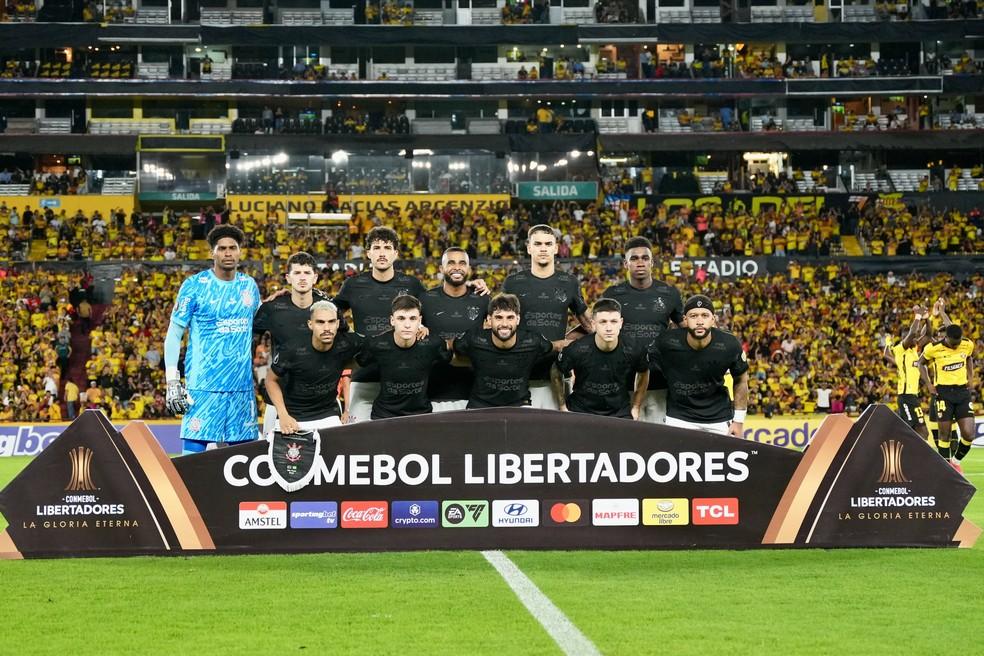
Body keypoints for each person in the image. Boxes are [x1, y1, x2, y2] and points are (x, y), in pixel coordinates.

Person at [164, 225, 261, 454]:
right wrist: (172, 380)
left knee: (244, 460)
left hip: (241, 387)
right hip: (203, 387)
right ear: (212, 253)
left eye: (233, 248)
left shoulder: (249, 285)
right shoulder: (194, 286)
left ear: (240, 252)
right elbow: (174, 334)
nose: (228, 253)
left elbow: (260, 321)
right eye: (222, 248)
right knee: (192, 460)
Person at [332, 227, 427, 423]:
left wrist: (424, 326)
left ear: (396, 253)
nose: (382, 253)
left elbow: (434, 309)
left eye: (387, 247)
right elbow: (329, 312)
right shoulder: (353, 285)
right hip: (364, 376)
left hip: (405, 380)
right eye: (376, 248)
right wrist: (347, 335)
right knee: (360, 438)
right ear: (368, 253)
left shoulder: (412, 284)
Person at [502, 224, 592, 410]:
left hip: (556, 377)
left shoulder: (569, 282)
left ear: (556, 248)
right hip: (518, 378)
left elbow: (590, 326)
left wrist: (571, 342)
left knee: (559, 428)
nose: (543, 248)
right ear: (529, 248)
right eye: (538, 244)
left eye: (548, 244)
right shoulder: (513, 283)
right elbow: (498, 325)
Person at [602, 236, 683, 424]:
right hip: (622, 384)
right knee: (624, 437)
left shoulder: (669, 294)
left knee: (658, 437)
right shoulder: (612, 294)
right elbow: (596, 327)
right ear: (626, 264)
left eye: (645, 258)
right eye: (634, 258)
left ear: (652, 262)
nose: (640, 262)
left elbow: (686, 330)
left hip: (659, 383)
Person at [650, 294, 749, 437]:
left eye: (705, 315)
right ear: (685, 319)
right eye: (693, 316)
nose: (699, 321)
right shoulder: (666, 342)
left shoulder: (729, 344)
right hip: (678, 418)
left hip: (719, 418)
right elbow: (644, 368)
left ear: (713, 319)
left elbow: (741, 380)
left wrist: (738, 421)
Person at [252, 251, 329, 435]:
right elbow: (248, 339)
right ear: (288, 277)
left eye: (307, 273)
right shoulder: (272, 308)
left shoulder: (328, 308)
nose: (302, 277)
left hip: (321, 403)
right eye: (297, 273)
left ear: (315, 277)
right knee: (270, 451)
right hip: (278, 400)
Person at [265, 300, 364, 433]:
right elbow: (270, 380)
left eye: (331, 322)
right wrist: (283, 415)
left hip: (328, 414)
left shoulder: (348, 343)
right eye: (320, 322)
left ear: (338, 324)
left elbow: (374, 347)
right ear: (310, 324)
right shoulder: (291, 348)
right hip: (293, 415)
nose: (327, 328)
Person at [452, 293, 555, 409]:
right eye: (499, 317)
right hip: (480, 403)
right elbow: (455, 351)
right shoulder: (473, 339)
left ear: (518, 319)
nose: (504, 324)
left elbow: (552, 349)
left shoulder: (533, 341)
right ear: (489, 319)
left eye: (510, 317)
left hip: (519, 403)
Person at [551, 298, 649, 419]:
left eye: (614, 321)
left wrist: (636, 407)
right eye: (603, 322)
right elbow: (556, 370)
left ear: (621, 323)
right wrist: (562, 406)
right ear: (593, 324)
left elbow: (644, 371)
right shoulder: (577, 349)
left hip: (619, 412)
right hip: (580, 410)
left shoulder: (634, 349)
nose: (609, 328)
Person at [358, 295, 451, 420]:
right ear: (392, 320)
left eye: (413, 319)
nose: (407, 325)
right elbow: (357, 362)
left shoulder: (433, 343)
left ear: (420, 321)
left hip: (421, 413)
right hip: (384, 414)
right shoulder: (376, 344)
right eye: (401, 318)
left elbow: (451, 358)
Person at [421, 247, 489, 412]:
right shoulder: (425, 300)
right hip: (433, 392)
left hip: (475, 394)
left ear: (469, 269)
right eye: (451, 263)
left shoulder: (483, 300)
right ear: (441, 268)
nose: (457, 267)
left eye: (462, 263)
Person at [917, 323, 976, 473]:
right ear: (946, 338)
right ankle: (945, 470)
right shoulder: (933, 348)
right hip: (943, 393)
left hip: (962, 392)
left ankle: (955, 462)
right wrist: (929, 384)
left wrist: (970, 377)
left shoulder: (967, 344)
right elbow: (920, 363)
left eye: (958, 342)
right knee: (944, 434)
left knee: (969, 434)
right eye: (953, 343)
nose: (956, 345)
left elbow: (969, 358)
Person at [883, 304, 929, 440]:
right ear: (905, 339)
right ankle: (891, 444)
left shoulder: (913, 352)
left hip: (913, 396)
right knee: (911, 432)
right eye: (910, 337)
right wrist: (918, 316)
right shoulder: (900, 349)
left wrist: (927, 318)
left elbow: (927, 335)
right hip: (905, 396)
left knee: (923, 433)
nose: (914, 339)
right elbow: (913, 333)